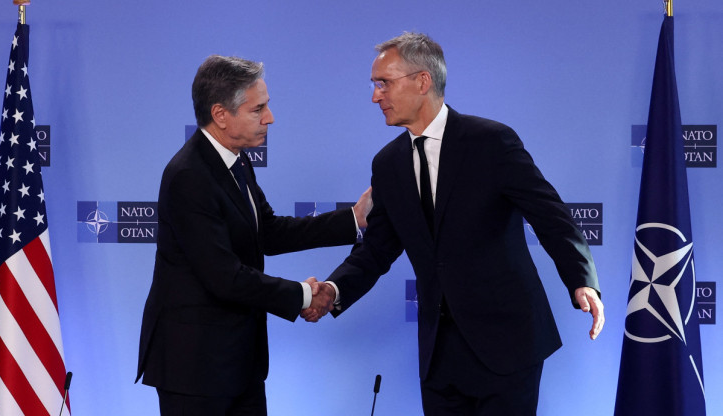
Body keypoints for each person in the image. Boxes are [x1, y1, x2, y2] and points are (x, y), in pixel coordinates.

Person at [304, 32, 604, 415]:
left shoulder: (491, 142)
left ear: (422, 81)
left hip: (508, 344)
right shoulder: (388, 163)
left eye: (384, 83)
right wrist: (333, 288)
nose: (375, 96)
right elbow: (377, 248)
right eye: (374, 85)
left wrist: (582, 281)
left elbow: (552, 217)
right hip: (440, 357)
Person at [136, 55, 371, 415]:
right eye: (257, 109)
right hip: (195, 370)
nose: (269, 118)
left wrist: (352, 219)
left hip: (239, 363)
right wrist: (305, 295)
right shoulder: (189, 176)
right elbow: (224, 278)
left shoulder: (236, 159)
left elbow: (269, 232)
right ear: (220, 115)